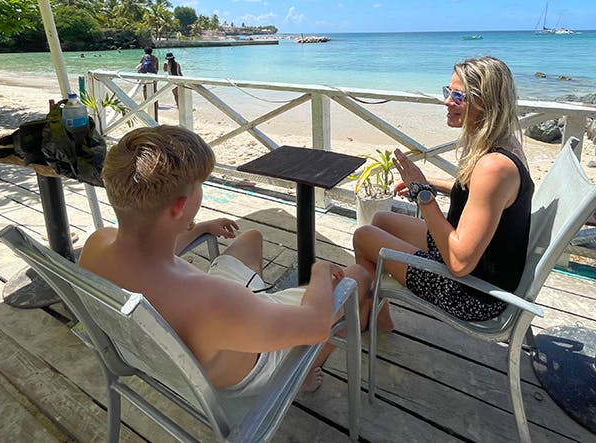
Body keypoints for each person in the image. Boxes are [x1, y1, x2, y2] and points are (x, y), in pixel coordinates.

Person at [79, 125, 370, 395]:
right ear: (180, 206)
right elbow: (316, 326)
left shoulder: (97, 244)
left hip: (205, 335)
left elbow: (148, 251)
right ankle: (304, 371)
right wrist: (318, 271)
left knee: (250, 239)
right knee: (358, 277)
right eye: (200, 185)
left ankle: (264, 299)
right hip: (253, 365)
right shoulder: (213, 301)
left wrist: (200, 226)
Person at [351, 56, 534, 329]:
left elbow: (460, 263)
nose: (447, 101)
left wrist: (423, 195)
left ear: (485, 102)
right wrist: (431, 182)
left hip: (473, 292)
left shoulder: (494, 167)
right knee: (381, 221)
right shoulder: (504, 142)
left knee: (364, 236)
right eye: (448, 92)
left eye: (458, 96)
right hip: (480, 261)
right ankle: (378, 317)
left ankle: (364, 318)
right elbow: (482, 196)